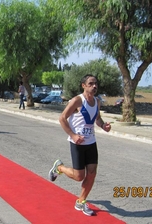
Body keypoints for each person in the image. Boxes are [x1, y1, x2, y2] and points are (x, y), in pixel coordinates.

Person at [48, 74, 111, 216]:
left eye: (96, 83)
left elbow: (98, 119)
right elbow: (62, 118)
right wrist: (73, 135)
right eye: (91, 83)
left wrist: (103, 126)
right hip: (77, 143)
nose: (94, 86)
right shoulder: (77, 101)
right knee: (78, 176)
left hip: (91, 142)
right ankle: (59, 167)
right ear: (84, 85)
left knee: (92, 174)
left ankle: (81, 201)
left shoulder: (97, 101)